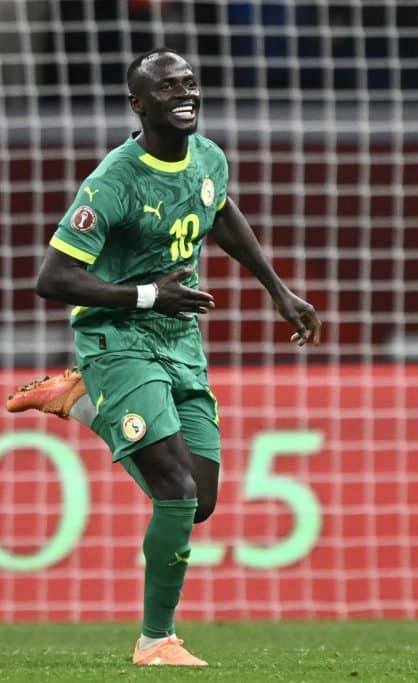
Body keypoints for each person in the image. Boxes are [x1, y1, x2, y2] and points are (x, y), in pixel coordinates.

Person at [5, 47, 321, 666]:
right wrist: (149, 295)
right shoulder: (114, 181)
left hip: (180, 340)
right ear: (138, 104)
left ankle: (81, 403)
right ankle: (156, 641)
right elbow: (52, 278)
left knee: (198, 502)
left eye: (190, 83)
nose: (186, 94)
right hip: (117, 338)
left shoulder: (209, 158)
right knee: (174, 488)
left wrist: (279, 290)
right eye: (169, 86)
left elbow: (219, 209)